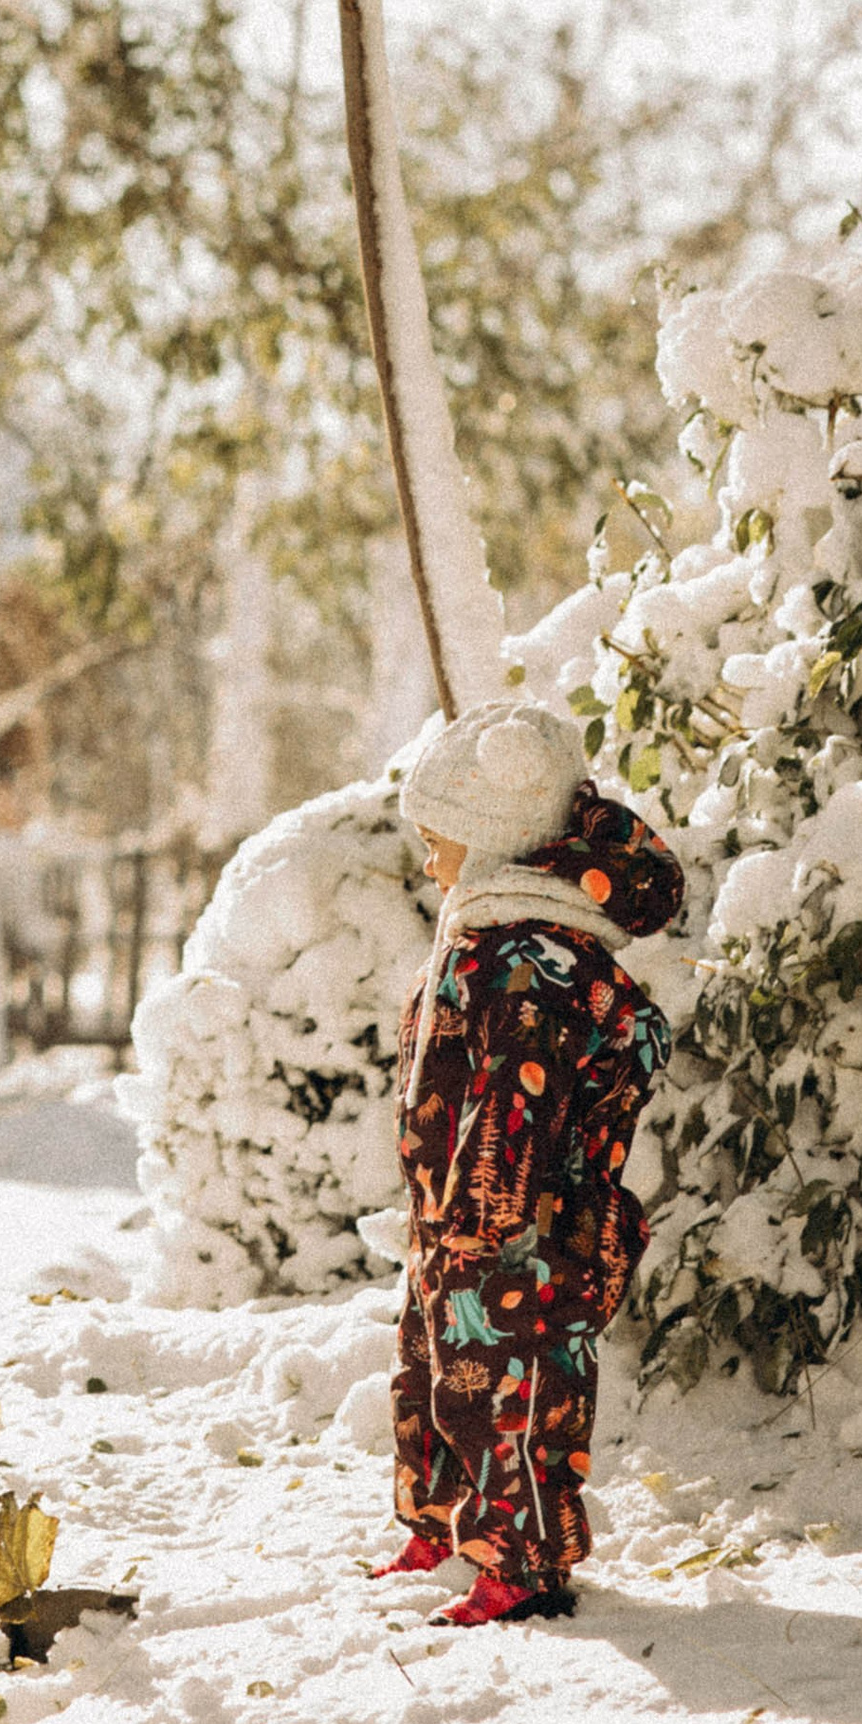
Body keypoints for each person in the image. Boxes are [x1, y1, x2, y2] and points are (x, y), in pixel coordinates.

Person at [368, 698, 683, 1632]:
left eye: (439, 841)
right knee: (430, 1374)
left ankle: (523, 1563)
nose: (428, 863)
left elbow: (516, 1099)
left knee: (513, 1393)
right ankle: (443, 1526)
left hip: (518, 1231)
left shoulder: (530, 959)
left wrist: (490, 1213)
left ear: (494, 838)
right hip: (454, 1220)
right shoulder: (484, 939)